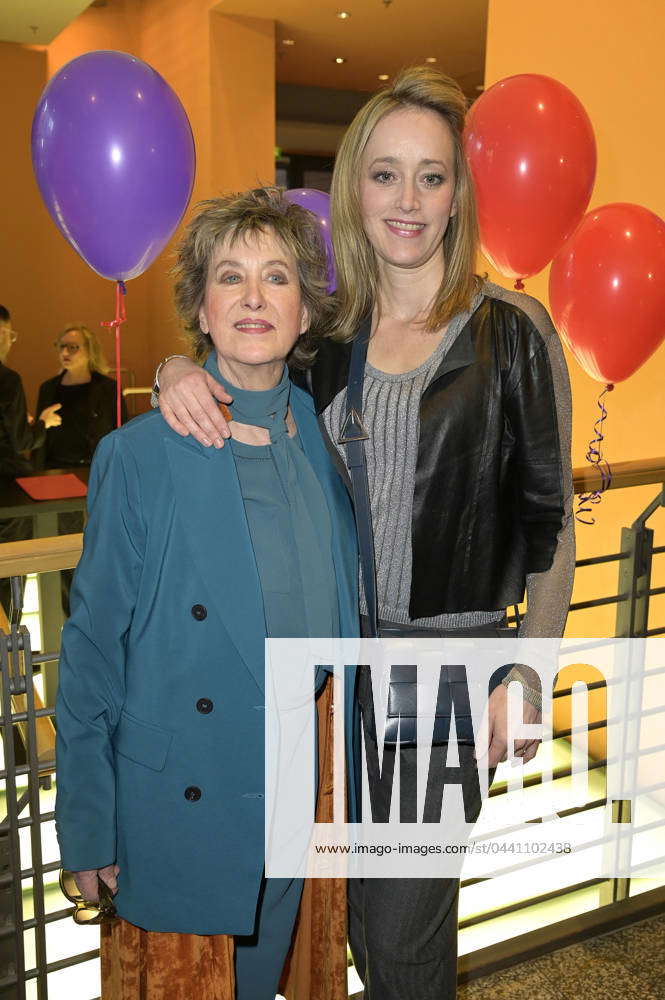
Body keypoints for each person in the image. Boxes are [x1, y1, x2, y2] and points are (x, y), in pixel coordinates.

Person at [154, 66, 575, 1000]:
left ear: (459, 191)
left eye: (432, 175)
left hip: (443, 679)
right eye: (386, 174)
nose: (408, 200)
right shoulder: (324, 338)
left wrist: (528, 671)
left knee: (401, 932)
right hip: (323, 678)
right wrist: (168, 367)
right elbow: (236, 362)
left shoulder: (513, 331)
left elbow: (551, 528)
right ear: (354, 188)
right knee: (338, 925)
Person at [55, 189, 359, 1000]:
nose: (255, 297)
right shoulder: (141, 457)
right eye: (231, 277)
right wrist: (87, 825)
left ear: (304, 314)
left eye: (277, 277)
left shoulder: (322, 440)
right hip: (183, 794)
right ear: (201, 306)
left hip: (298, 784)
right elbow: (89, 652)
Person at [33, 323, 127, 615]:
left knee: (101, 553)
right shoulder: (48, 388)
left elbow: (122, 434)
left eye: (73, 347)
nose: (65, 352)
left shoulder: (108, 388)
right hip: (57, 481)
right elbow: (40, 440)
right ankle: (71, 619)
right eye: (61, 346)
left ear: (89, 351)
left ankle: (104, 617)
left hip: (98, 478)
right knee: (65, 558)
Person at [0, 304, 61, 616]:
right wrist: (42, 425)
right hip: (8, 491)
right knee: (11, 578)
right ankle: (10, 658)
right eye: (10, 335)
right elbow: (22, 441)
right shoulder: (8, 379)